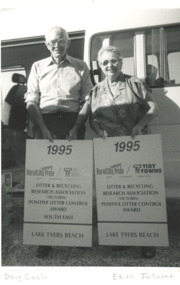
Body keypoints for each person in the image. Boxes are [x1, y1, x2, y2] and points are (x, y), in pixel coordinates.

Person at [80, 45, 158, 258]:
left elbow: (153, 108)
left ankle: (147, 241)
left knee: (140, 196)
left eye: (113, 61)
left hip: (136, 147)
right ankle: (122, 237)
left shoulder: (134, 83)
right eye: (105, 62)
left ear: (121, 62)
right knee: (117, 196)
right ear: (100, 66)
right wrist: (100, 130)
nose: (109, 65)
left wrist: (140, 125)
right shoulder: (95, 90)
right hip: (111, 153)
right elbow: (93, 119)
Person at [24, 26, 93, 258]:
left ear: (68, 42)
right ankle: (45, 239)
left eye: (61, 40)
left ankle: (78, 232)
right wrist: (42, 129)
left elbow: (87, 99)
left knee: (75, 180)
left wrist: (77, 126)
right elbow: (31, 100)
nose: (57, 44)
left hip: (73, 121)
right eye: (53, 41)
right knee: (45, 182)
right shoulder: (37, 67)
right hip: (45, 122)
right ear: (47, 44)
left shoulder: (80, 66)